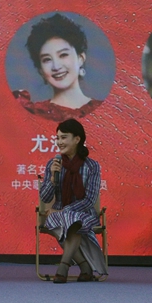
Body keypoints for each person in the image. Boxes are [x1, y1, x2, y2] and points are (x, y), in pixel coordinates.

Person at [39, 118, 107, 283]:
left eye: (64, 137)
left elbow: (90, 199)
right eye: (58, 138)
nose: (59, 142)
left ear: (77, 139)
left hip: (84, 214)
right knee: (66, 220)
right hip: (57, 215)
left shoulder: (92, 166)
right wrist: (52, 180)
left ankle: (64, 266)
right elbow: (45, 198)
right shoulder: (53, 164)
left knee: (72, 220)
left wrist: (65, 211)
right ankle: (85, 267)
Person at [14, 13, 102, 120]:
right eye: (47, 59)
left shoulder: (104, 111)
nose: (56, 66)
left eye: (63, 55)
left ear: (80, 58)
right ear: (41, 70)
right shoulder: (35, 112)